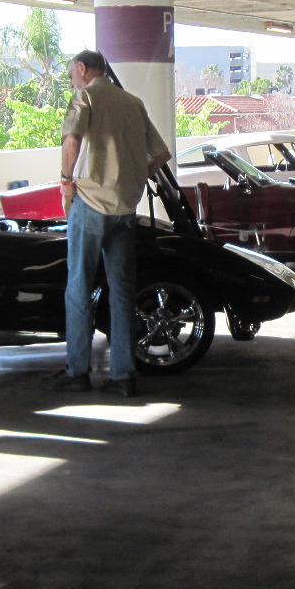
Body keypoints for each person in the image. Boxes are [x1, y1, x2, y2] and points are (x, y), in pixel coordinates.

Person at [42, 51, 171, 398]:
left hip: (91, 204)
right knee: (123, 290)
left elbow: (72, 139)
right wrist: (131, 178)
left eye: (71, 75)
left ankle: (77, 371)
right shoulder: (132, 102)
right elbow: (161, 154)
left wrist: (66, 180)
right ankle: (123, 376)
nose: (72, 81)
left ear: (83, 69)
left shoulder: (85, 96)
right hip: (124, 209)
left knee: (79, 287)